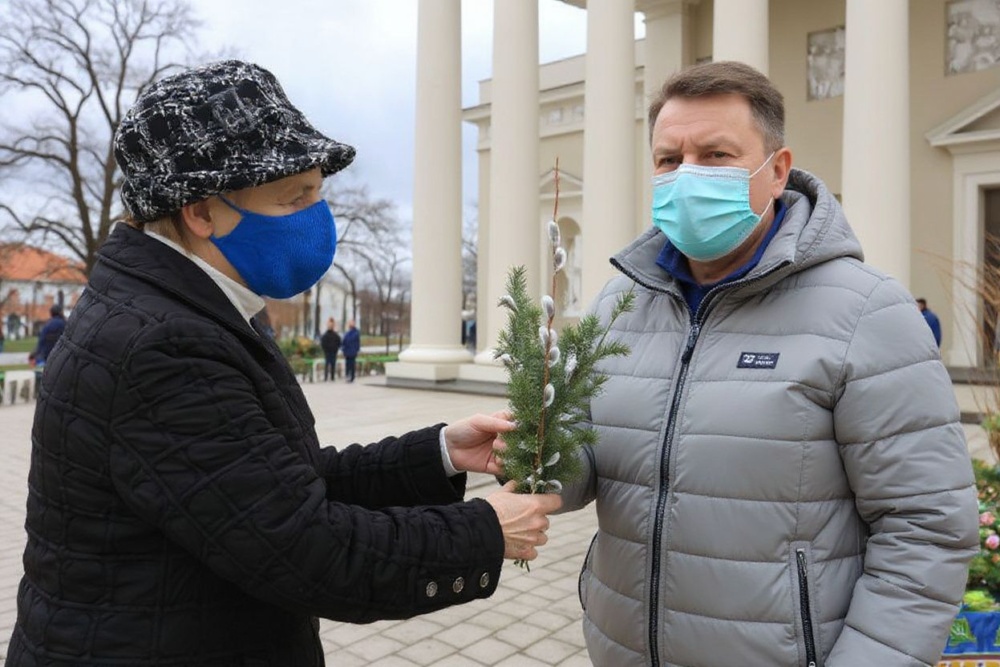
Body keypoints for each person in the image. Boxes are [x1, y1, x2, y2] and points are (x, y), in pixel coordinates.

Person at [6, 60, 561, 666]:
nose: (315, 215)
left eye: (318, 192)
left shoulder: (197, 305)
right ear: (201, 212)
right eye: (293, 197)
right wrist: (483, 531)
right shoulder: (161, 345)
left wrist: (440, 453)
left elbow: (272, 484)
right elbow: (306, 548)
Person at [558, 61, 977, 667]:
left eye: (716, 154)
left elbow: (927, 526)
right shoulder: (620, 302)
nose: (688, 175)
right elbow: (588, 462)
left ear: (777, 170)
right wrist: (534, 452)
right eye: (669, 159)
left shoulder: (866, 311)